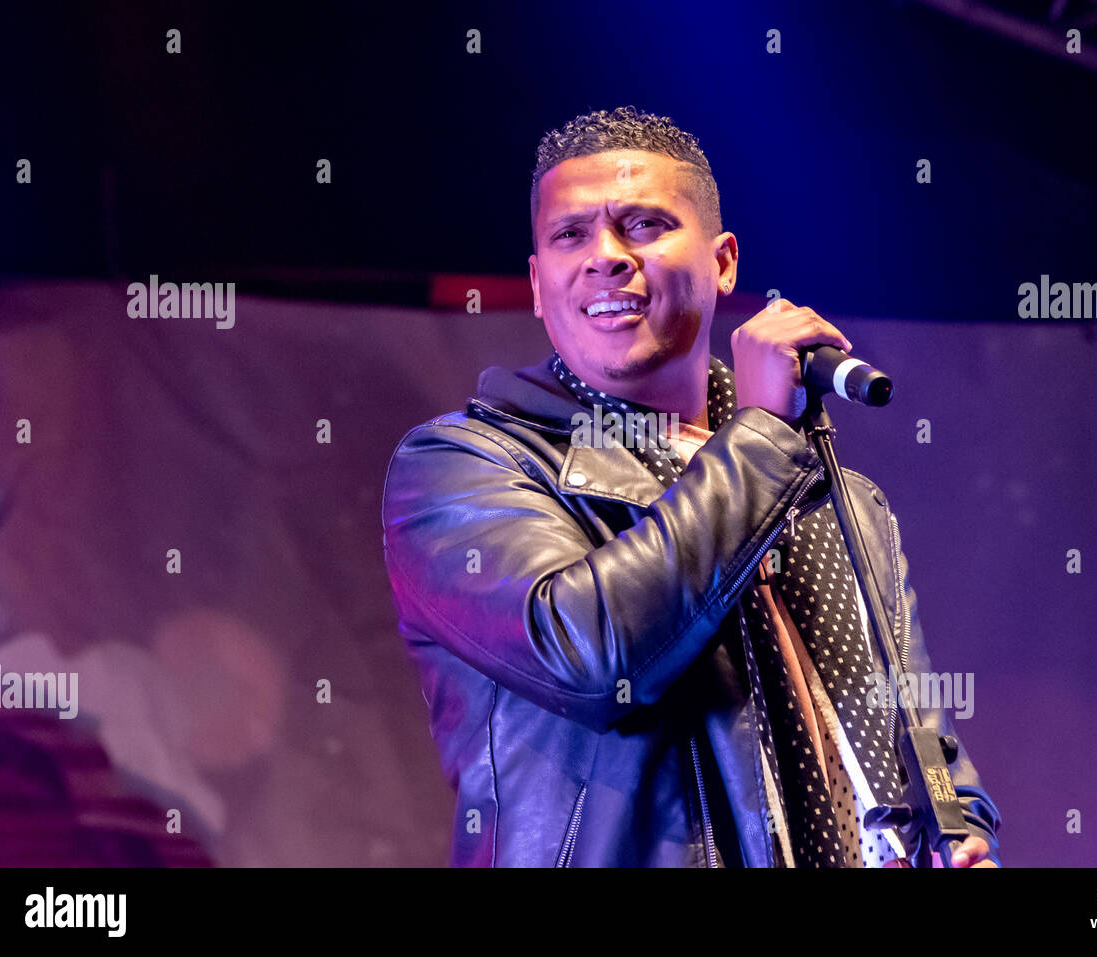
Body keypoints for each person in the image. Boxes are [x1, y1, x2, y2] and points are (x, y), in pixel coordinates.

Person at [381, 106, 1001, 867]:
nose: (605, 256)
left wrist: (957, 825)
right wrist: (764, 437)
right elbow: (593, 654)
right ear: (539, 285)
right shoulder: (463, 464)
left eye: (643, 224)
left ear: (725, 261)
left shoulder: (841, 497)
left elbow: (919, 728)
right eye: (570, 234)